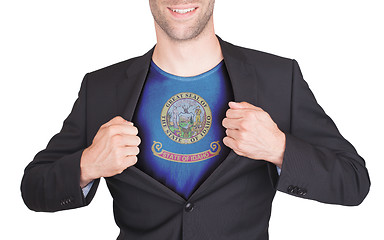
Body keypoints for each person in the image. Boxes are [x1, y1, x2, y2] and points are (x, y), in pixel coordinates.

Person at [21, 0, 370, 239]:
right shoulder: (102, 88)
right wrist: (87, 165)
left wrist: (280, 148)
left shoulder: (278, 78)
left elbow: (354, 181)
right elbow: (34, 188)